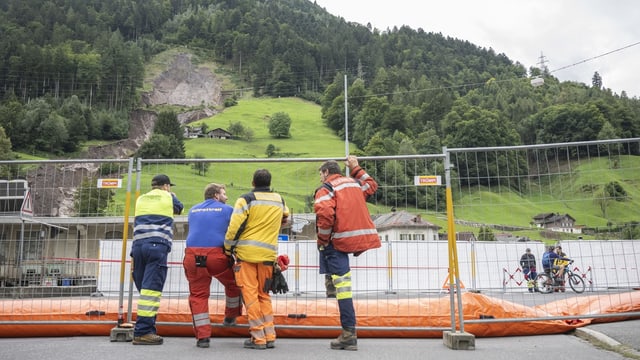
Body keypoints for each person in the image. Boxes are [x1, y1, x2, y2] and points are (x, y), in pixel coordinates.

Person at [314, 155, 381, 351]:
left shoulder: (326, 189)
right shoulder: (353, 184)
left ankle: (348, 333)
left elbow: (325, 216)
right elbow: (371, 185)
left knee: (343, 288)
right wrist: (356, 167)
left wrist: (323, 240)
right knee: (342, 284)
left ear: (326, 172)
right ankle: (330, 282)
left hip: (337, 242)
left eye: (321, 174)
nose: (320, 178)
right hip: (355, 239)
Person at [224, 169, 289, 350]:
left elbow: (234, 226)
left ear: (253, 182)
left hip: (246, 255)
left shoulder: (246, 199)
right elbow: (286, 218)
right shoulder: (279, 200)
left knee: (250, 296)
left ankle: (258, 337)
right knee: (264, 295)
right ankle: (270, 335)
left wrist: (228, 248)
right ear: (269, 182)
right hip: (268, 256)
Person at [183, 183, 242, 348]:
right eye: (224, 193)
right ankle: (230, 317)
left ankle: (203, 337)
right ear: (216, 195)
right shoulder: (227, 209)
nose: (226, 197)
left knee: (198, 296)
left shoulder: (193, 210)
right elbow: (236, 230)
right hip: (216, 256)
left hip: (192, 256)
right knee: (234, 283)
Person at [131, 174, 184, 345]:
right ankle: (143, 332)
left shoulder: (141, 199)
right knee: (151, 290)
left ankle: (146, 327)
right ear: (166, 186)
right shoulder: (169, 197)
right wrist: (172, 195)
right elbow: (179, 208)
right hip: (157, 245)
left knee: (144, 288)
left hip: (138, 246)